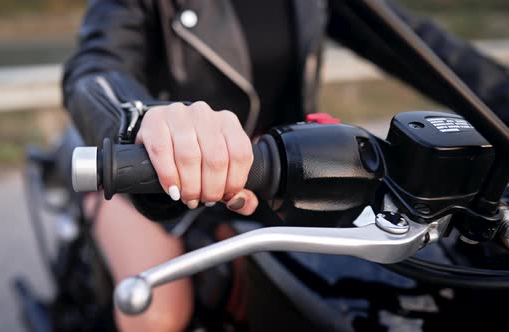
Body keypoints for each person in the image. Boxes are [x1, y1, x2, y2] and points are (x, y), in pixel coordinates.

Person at [62, 1, 509, 331]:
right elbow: (95, 65)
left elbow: (426, 49)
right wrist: (143, 118)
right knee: (158, 314)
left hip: (290, 170)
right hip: (161, 168)